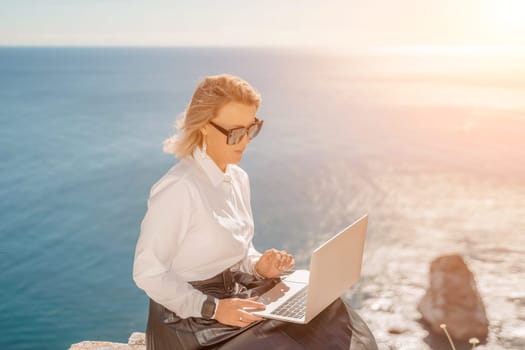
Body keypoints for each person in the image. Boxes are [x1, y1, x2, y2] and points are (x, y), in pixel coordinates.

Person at [132, 74, 378, 349]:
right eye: (235, 132)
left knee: (329, 310)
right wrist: (212, 308)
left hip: (232, 297)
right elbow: (147, 273)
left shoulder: (237, 178)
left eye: (252, 128)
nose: (246, 140)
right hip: (188, 323)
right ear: (203, 126)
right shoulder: (179, 188)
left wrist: (258, 265)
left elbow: (238, 252)